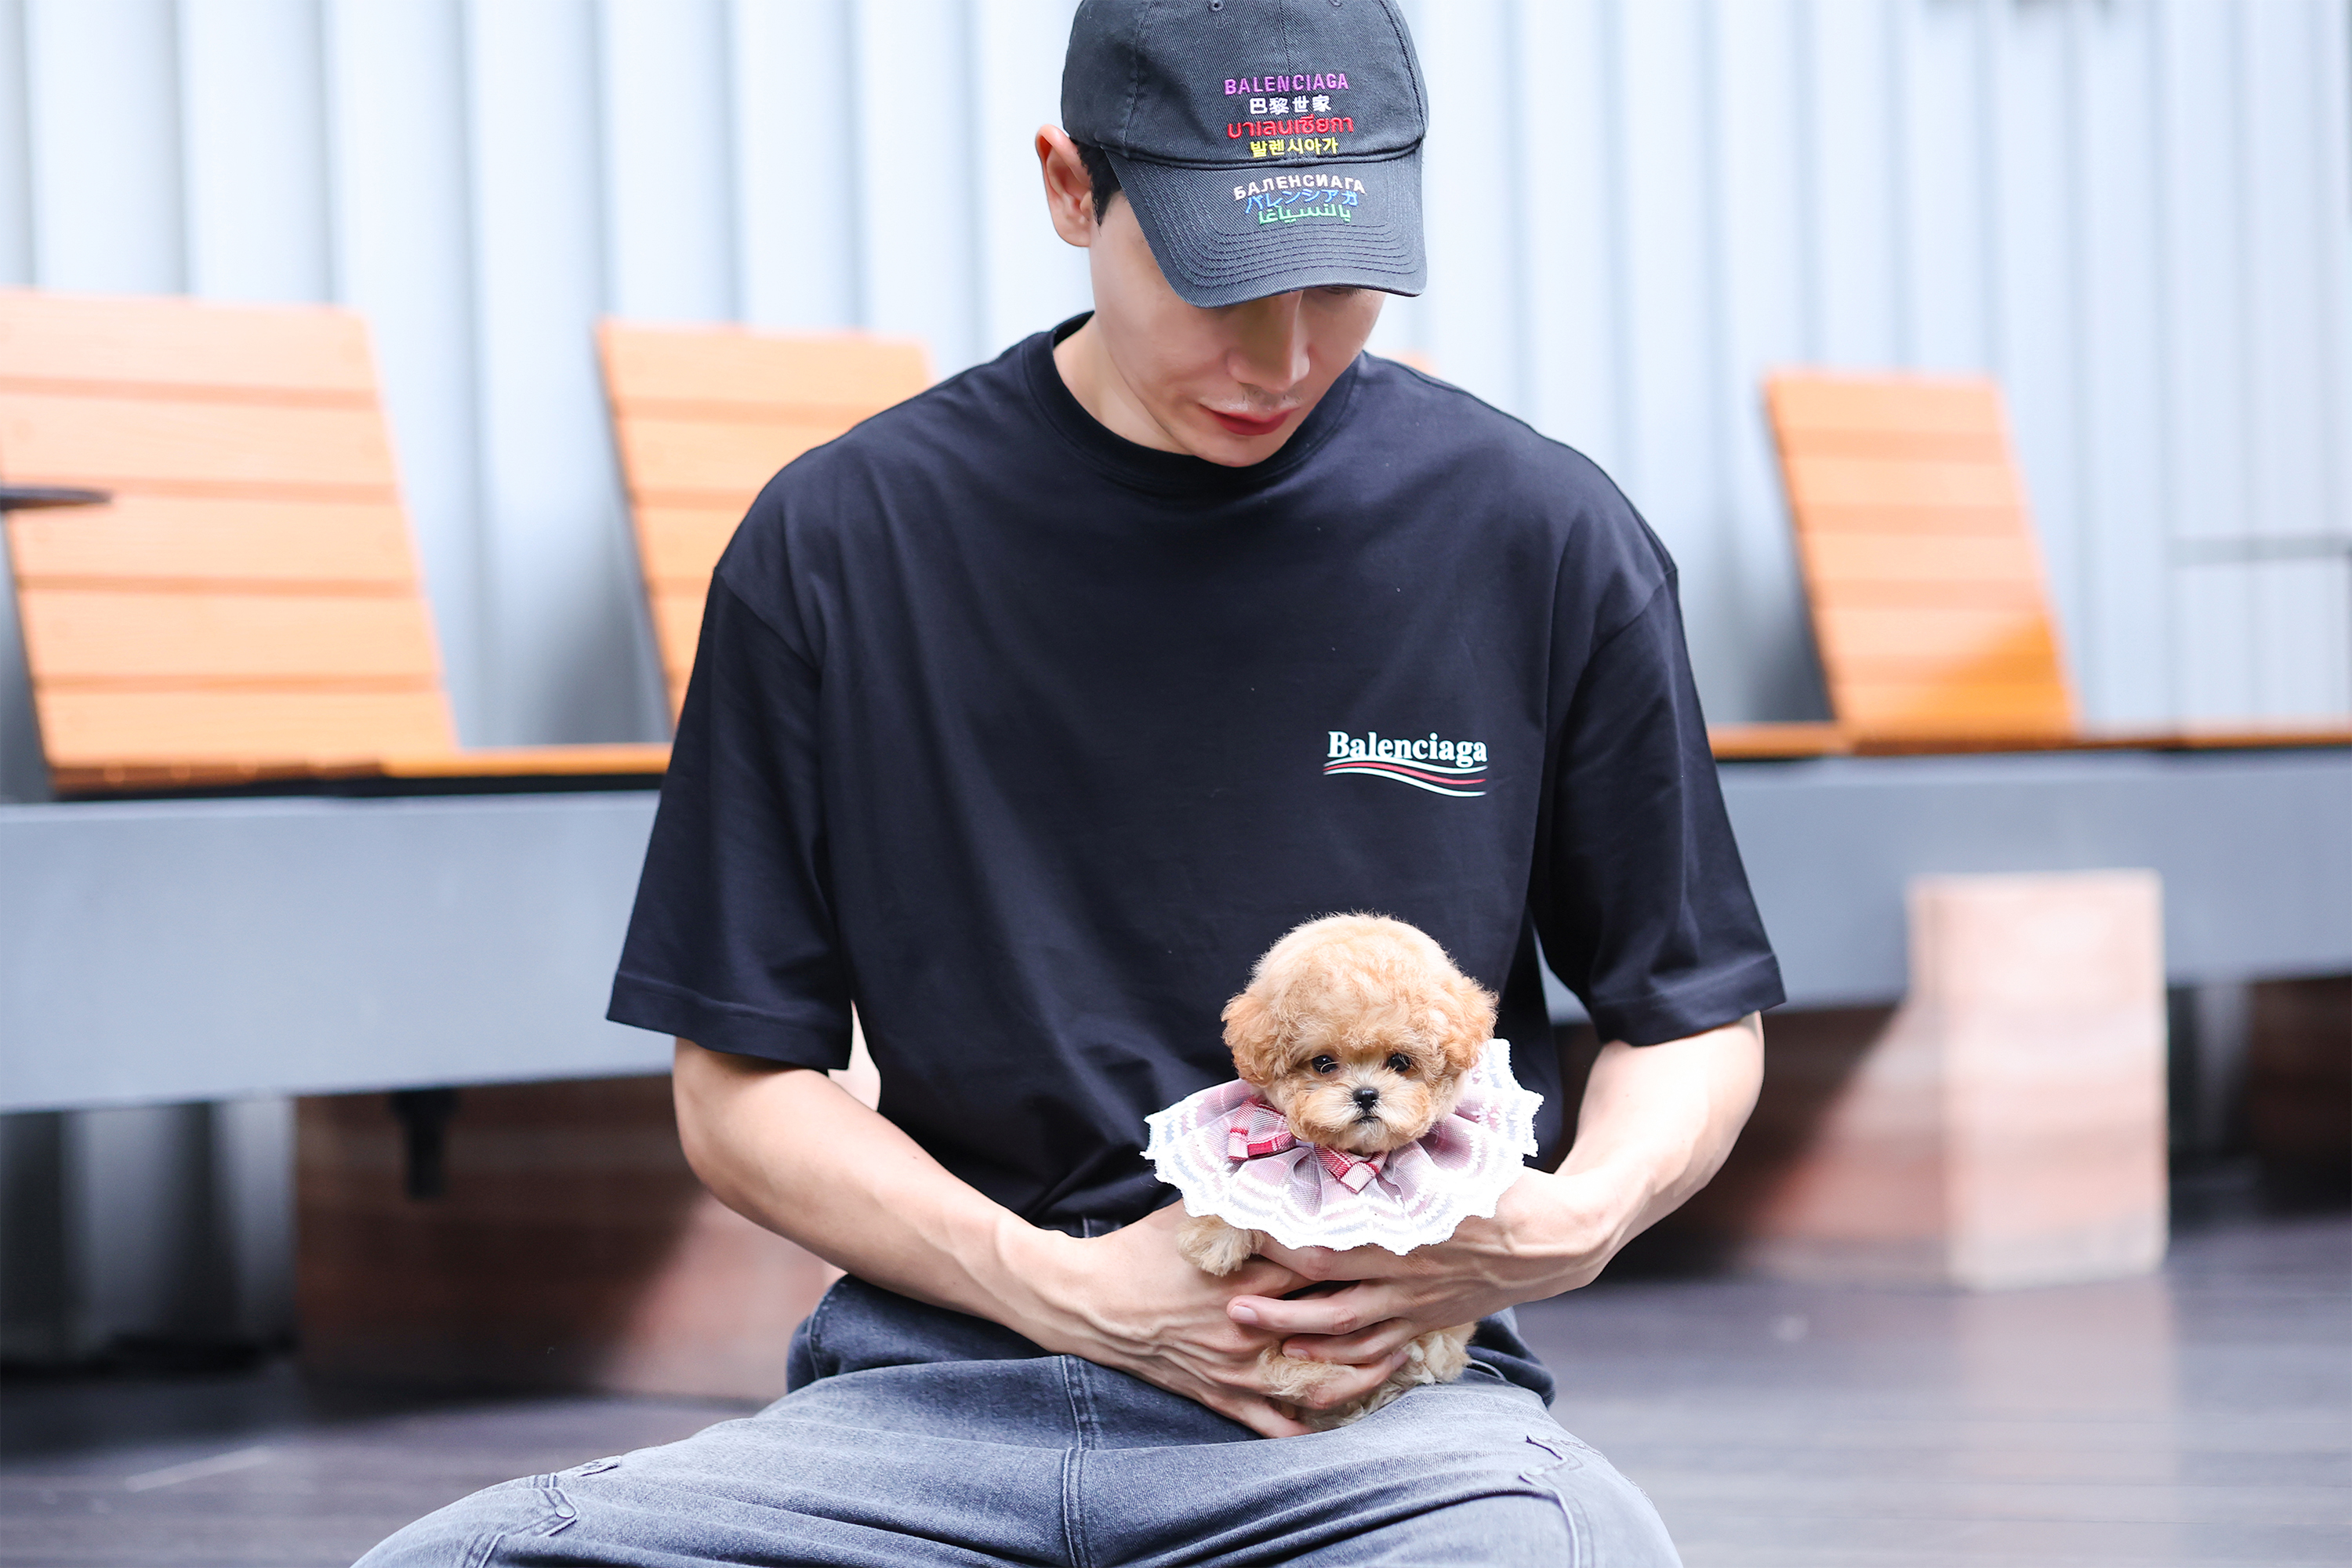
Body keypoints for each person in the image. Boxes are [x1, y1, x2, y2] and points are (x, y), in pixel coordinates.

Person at [360, 2, 1780, 1563]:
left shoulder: (1542, 538)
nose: (1284, 357)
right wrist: (1073, 1289)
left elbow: (1688, 1014)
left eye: (1340, 285)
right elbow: (738, 1091)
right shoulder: (840, 543)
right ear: (1068, 188)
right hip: (929, 1410)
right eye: (1218, 283)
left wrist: (1576, 1217)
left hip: (1379, 1427)